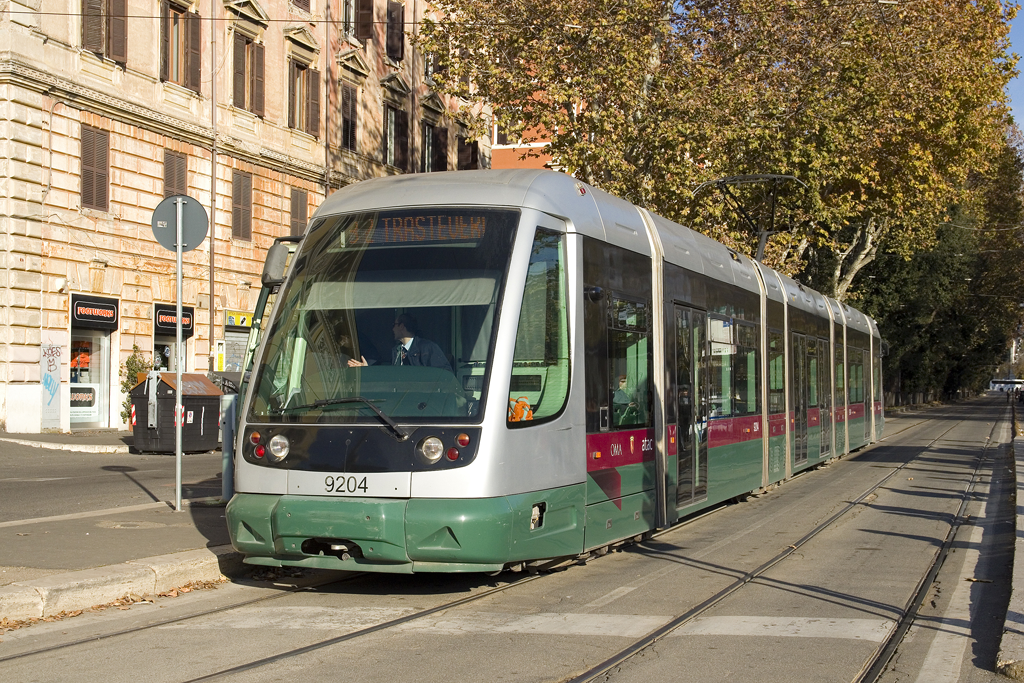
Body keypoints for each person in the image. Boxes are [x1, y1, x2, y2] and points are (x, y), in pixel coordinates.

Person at [347, 313, 452, 372]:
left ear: (401, 326)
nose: (392, 329)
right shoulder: (396, 351)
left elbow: (445, 373)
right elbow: (391, 375)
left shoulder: (428, 347)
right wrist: (368, 369)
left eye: (394, 324)